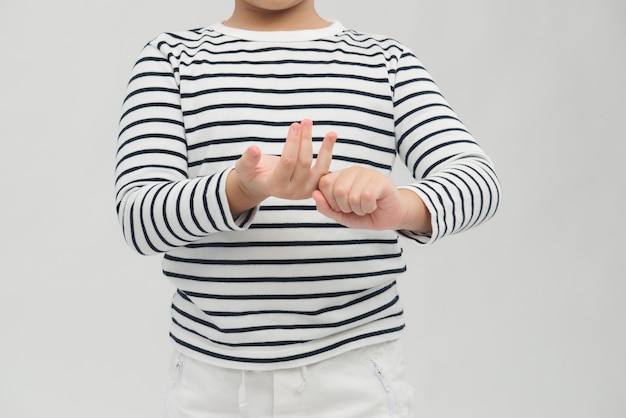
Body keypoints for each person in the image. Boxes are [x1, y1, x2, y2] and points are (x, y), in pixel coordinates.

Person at [115, 0, 501, 416]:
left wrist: (404, 206)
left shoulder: (386, 61)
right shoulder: (170, 59)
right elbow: (139, 218)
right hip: (213, 383)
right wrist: (237, 190)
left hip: (355, 379)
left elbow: (479, 180)